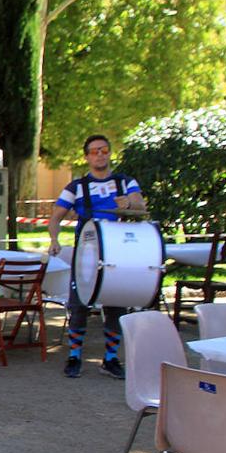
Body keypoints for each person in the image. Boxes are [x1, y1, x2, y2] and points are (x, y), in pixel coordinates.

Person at [47, 134, 146, 380]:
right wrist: (54, 239)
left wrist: (130, 205)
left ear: (109, 153)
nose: (99, 155)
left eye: (103, 150)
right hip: (87, 252)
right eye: (94, 151)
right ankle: (75, 356)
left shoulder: (125, 182)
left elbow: (140, 206)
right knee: (79, 304)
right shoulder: (76, 187)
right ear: (87, 157)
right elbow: (55, 217)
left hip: (118, 251)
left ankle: (111, 359)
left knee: (116, 303)